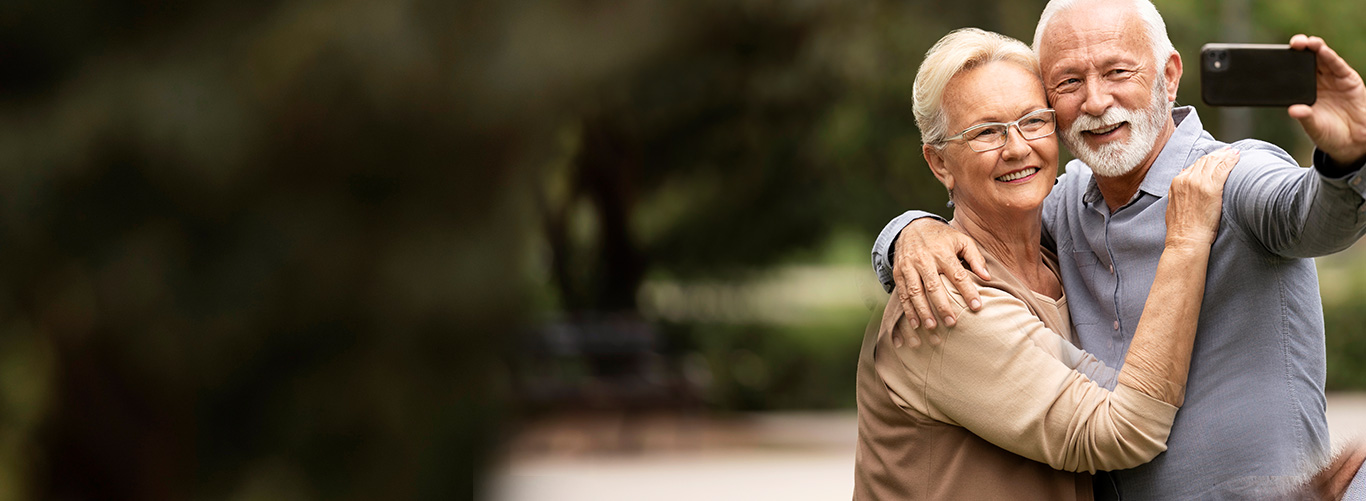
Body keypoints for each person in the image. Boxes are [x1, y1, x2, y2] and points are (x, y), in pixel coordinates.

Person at [869, 0, 1366, 498]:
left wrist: (1348, 158)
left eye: (1117, 71)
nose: (1096, 100)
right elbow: (986, 215)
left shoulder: (1230, 177)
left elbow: (1312, 217)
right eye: (1068, 82)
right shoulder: (1062, 206)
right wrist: (909, 233)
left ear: (1168, 77)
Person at [854, 27, 1238, 500]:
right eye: (986, 132)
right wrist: (1186, 240)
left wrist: (907, 227)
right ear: (939, 164)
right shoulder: (945, 296)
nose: (1017, 148)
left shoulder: (1059, 255)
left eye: (1033, 121)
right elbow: (1120, 431)